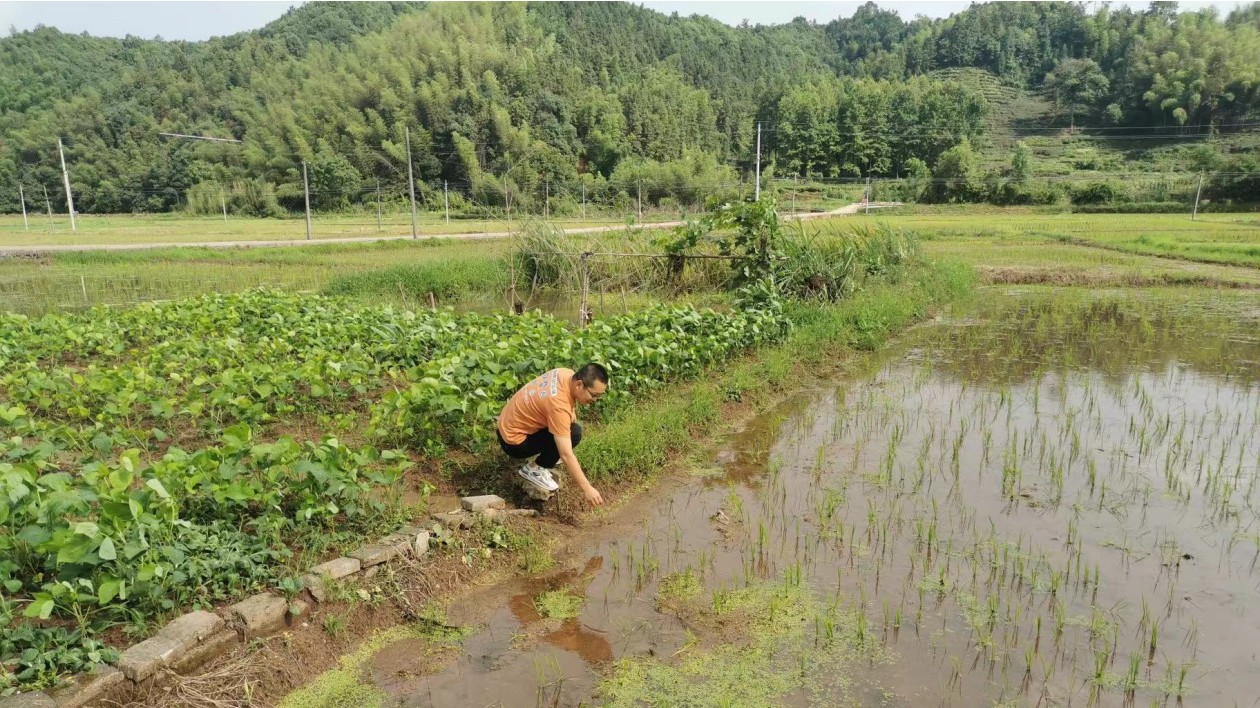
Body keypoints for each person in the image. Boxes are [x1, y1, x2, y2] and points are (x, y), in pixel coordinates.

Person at [497, 363, 608, 506]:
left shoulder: (565, 373)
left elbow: (566, 406)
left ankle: (549, 456)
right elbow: (566, 454)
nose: (594, 400)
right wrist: (587, 489)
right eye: (594, 395)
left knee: (568, 427)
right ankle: (534, 469)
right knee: (574, 433)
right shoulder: (559, 406)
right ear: (579, 384)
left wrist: (570, 414)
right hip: (514, 443)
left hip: (506, 424)